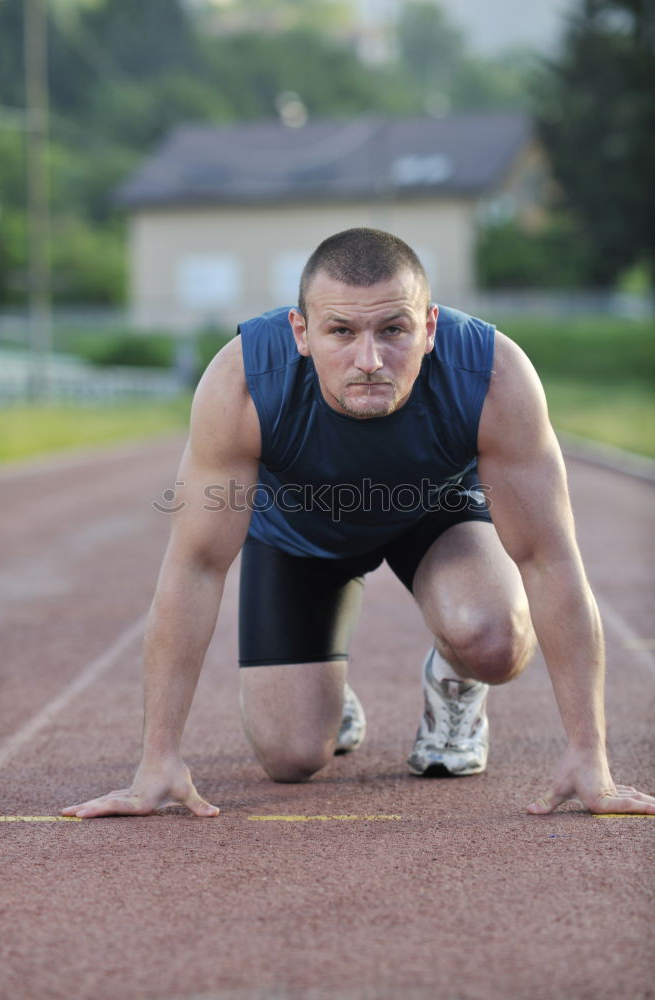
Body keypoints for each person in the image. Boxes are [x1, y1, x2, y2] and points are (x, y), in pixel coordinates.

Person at [62, 228, 654, 819]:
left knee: (494, 641)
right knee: (291, 756)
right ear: (301, 332)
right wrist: (157, 758)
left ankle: (454, 677)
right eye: (341, 331)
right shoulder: (242, 383)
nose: (368, 360)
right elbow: (196, 566)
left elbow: (549, 560)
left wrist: (590, 753)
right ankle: (324, 689)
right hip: (299, 529)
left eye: (393, 330)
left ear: (429, 329)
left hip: (437, 511)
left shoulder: (492, 377)